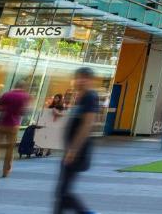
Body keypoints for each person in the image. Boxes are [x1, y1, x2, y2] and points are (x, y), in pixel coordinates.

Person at [54, 67, 100, 214]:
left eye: (84, 78)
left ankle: (86, 212)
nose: (80, 80)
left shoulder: (90, 97)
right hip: (72, 151)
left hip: (78, 152)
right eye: (78, 77)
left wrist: (73, 150)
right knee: (62, 192)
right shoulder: (80, 97)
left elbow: (87, 125)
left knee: (63, 192)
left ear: (90, 80)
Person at [0, 81, 30, 181]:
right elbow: (24, 111)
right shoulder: (25, 96)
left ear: (15, 86)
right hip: (13, 126)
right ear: (24, 87)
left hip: (1, 124)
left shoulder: (7, 94)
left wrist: (5, 109)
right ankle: (5, 172)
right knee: (9, 150)